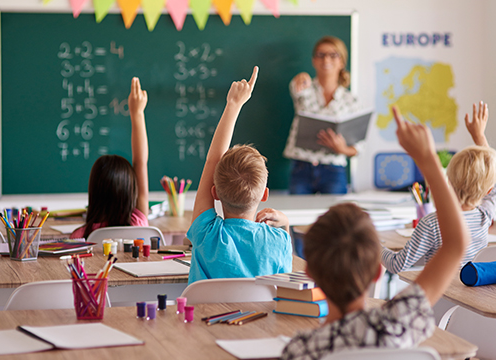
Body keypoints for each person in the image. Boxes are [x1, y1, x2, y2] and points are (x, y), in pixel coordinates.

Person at [281, 106, 470, 359]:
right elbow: (456, 244)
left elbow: (455, 245)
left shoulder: (300, 350)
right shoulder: (397, 324)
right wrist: (428, 160)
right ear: (378, 270)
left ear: (309, 274)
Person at [187, 66, 293, 285]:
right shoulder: (278, 241)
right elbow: (284, 286)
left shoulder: (207, 236)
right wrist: (285, 224)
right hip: (261, 319)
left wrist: (233, 105)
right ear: (264, 194)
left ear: (214, 192)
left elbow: (211, 161)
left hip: (204, 319)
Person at [381, 101, 496, 274]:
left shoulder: (432, 223)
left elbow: (396, 265)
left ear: (449, 181)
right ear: (488, 190)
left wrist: (372, 244)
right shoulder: (484, 217)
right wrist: (479, 136)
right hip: (469, 298)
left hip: (439, 298)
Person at [70, 77, 149, 239]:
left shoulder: (81, 236)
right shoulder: (138, 224)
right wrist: (137, 113)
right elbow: (140, 162)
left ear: (94, 191)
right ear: (131, 190)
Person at [283, 36, 359, 195]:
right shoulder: (304, 88)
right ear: (313, 60)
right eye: (321, 54)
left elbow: (357, 148)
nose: (326, 59)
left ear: (342, 62)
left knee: (336, 218)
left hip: (334, 169)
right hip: (302, 166)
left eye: (333, 55)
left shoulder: (351, 101)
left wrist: (342, 148)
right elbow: (295, 88)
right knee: (298, 216)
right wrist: (301, 77)